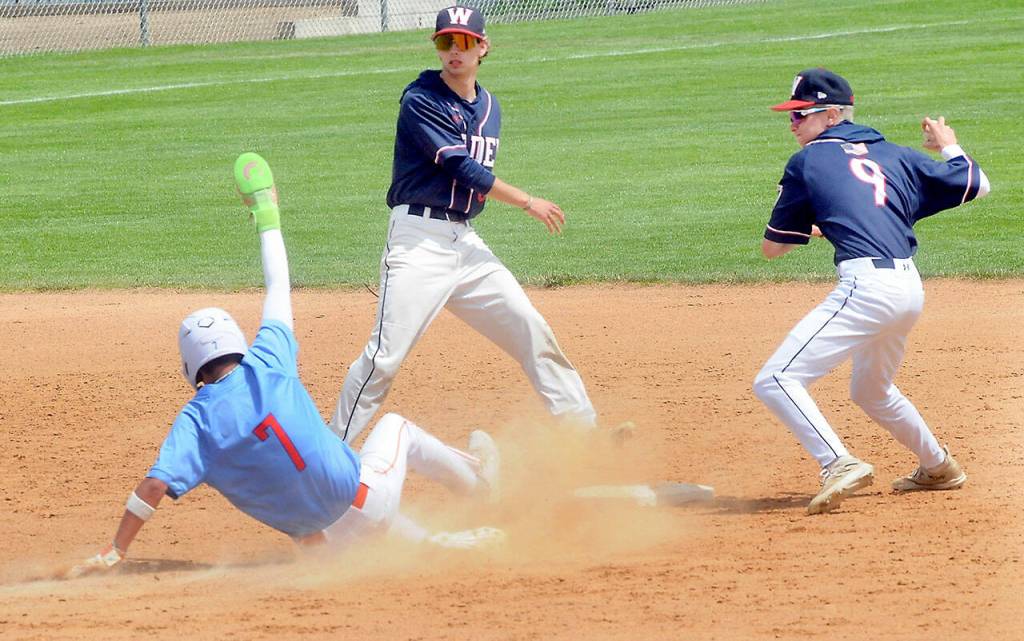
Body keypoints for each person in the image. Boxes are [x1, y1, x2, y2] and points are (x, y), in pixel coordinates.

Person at [70, 153, 503, 577]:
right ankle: (478, 481)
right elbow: (278, 279)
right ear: (234, 344)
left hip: (325, 551)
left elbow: (154, 486)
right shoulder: (267, 360)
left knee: (344, 515)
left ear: (192, 367)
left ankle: (445, 548)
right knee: (395, 429)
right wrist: (266, 209)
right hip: (366, 500)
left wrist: (115, 551)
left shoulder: (195, 424)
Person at [330, 5, 598, 444]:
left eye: (465, 42)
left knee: (532, 330)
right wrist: (528, 201)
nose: (455, 51)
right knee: (384, 358)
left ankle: (587, 439)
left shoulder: (490, 106)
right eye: (445, 42)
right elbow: (463, 170)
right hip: (418, 243)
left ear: (483, 47)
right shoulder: (421, 99)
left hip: (465, 244)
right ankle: (331, 454)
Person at [752, 68, 990, 515]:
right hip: (908, 289)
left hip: (867, 288)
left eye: (801, 114)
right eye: (790, 115)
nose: (792, 123)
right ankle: (938, 465)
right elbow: (976, 183)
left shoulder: (807, 161)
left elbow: (773, 248)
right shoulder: (894, 154)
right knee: (871, 390)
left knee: (776, 379)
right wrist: (947, 145)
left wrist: (808, 226)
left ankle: (836, 462)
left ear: (832, 114)